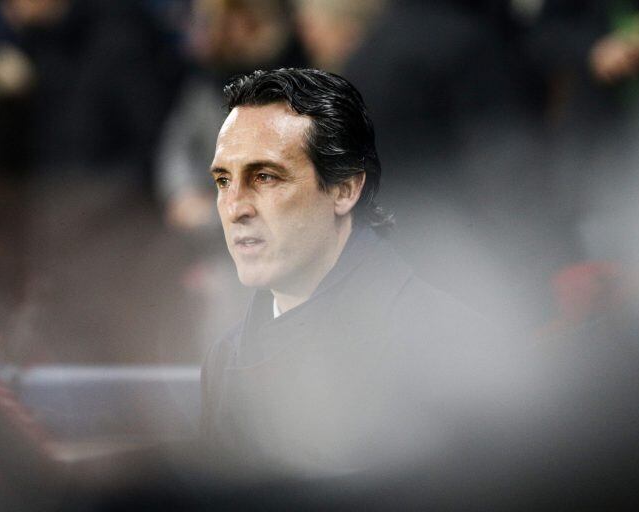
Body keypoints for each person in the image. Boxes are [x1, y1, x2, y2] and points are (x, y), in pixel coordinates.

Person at [200, 68, 503, 477]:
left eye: (265, 177)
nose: (236, 207)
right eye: (223, 180)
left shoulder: (450, 349)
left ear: (345, 189)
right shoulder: (225, 358)